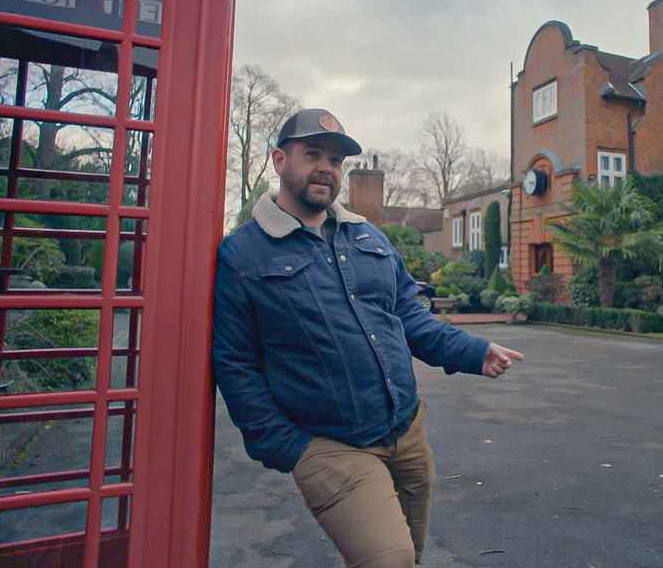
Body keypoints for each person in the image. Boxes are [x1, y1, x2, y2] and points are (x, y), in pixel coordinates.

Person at [212, 108, 524, 567]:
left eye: (336, 160)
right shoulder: (244, 254)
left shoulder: (368, 237)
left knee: (408, 557)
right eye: (312, 154)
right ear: (280, 160)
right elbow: (236, 363)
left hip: (407, 432)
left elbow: (409, 318)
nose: (326, 167)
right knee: (389, 560)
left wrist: (475, 351)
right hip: (330, 445)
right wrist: (286, 446)